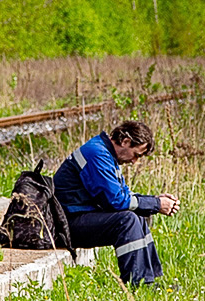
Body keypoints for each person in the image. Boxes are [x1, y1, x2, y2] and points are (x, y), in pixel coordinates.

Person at [52, 119, 180, 288]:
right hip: (66, 225)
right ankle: (137, 284)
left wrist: (154, 201)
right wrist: (156, 204)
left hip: (78, 216)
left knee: (138, 215)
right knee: (127, 220)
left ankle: (148, 280)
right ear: (125, 141)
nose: (134, 162)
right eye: (136, 155)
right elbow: (116, 201)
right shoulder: (97, 154)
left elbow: (122, 195)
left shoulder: (105, 153)